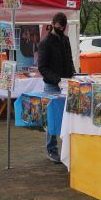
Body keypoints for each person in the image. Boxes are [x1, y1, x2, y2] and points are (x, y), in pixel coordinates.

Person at [37, 12, 75, 164]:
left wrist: (72, 74)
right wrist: (57, 80)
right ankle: (51, 150)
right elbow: (42, 67)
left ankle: (66, 149)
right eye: (59, 27)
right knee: (52, 119)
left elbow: (70, 59)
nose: (61, 30)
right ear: (52, 24)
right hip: (52, 85)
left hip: (66, 83)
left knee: (66, 118)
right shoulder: (45, 43)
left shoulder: (65, 40)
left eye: (63, 28)